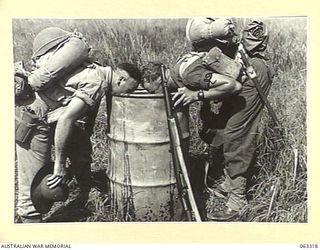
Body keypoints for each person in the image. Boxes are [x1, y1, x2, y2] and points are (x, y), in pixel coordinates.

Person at [15, 27, 142, 223]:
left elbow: (78, 116)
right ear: (121, 78)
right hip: (33, 115)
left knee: (76, 147)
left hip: (39, 108)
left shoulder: (98, 70)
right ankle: (31, 231)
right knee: (32, 184)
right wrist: (59, 165)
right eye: (129, 89)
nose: (128, 93)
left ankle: (80, 195)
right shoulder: (98, 83)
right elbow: (67, 119)